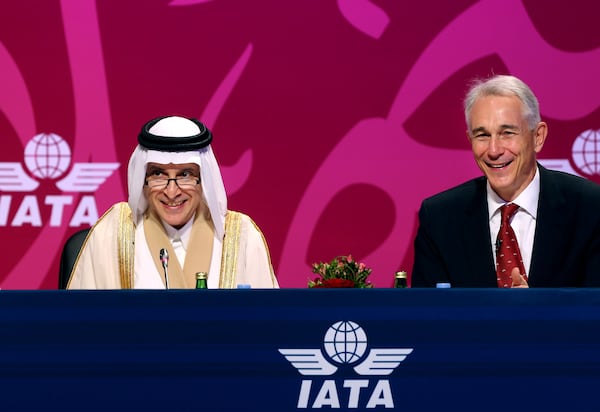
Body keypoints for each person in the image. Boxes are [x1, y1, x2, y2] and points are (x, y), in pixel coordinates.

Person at [411, 74, 600, 288]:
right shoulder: (440, 218)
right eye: (482, 135)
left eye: (507, 133)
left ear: (538, 137)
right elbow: (427, 315)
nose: (494, 150)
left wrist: (538, 311)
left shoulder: (591, 208)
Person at [67, 115, 279, 289]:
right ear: (143, 179)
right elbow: (81, 326)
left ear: (203, 179)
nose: (171, 191)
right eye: (158, 174)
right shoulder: (112, 233)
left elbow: (269, 327)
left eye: (185, 174)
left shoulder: (241, 236)